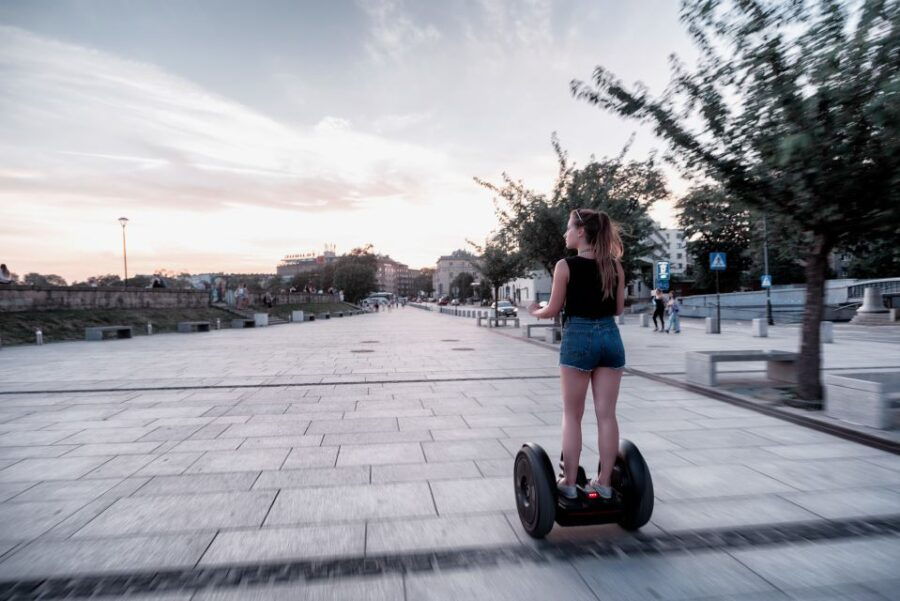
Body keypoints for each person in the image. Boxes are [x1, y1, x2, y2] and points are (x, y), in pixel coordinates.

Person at [528, 208, 626, 500]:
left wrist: (536, 311)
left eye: (569, 227)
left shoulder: (565, 266)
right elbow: (618, 309)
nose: (565, 233)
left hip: (579, 337)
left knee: (572, 415)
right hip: (611, 338)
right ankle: (604, 483)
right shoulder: (615, 266)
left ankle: (569, 483)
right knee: (607, 415)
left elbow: (553, 309)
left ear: (581, 232)